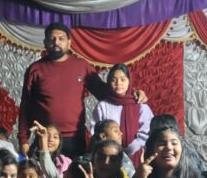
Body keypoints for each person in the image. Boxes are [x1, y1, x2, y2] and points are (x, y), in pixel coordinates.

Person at [18, 23, 147, 158]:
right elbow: (26, 106)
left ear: (69, 43)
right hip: (45, 137)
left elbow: (105, 92)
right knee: (43, 171)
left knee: (76, 171)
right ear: (45, 43)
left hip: (75, 139)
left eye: (61, 39)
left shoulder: (82, 66)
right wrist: (23, 140)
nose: (56, 42)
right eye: (52, 39)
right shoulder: (35, 69)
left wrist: (133, 93)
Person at [91, 64, 153, 160]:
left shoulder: (140, 104)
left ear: (129, 81)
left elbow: (148, 132)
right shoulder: (103, 106)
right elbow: (95, 132)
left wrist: (130, 149)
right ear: (108, 82)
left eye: (123, 79)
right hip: (108, 156)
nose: (118, 83)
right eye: (114, 80)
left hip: (136, 156)